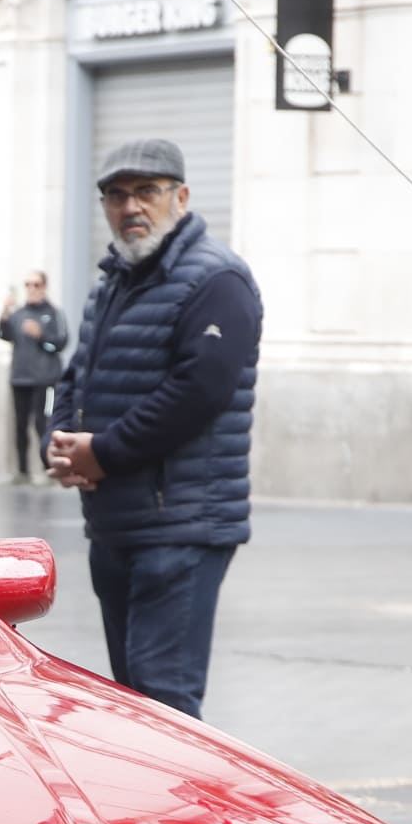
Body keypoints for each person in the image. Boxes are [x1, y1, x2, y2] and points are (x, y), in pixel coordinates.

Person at [47, 139, 262, 721]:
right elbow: (79, 375)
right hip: (117, 522)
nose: (130, 207)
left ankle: (180, 815)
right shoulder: (113, 282)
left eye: (147, 191)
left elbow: (201, 391)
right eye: (116, 195)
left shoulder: (218, 280)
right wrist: (63, 440)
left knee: (163, 697)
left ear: (182, 197)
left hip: (182, 525)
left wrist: (105, 452)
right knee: (135, 698)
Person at [0, 271, 68, 483]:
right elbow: (4, 336)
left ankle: (47, 469)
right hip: (20, 378)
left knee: (43, 424)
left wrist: (41, 336)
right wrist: (4, 316)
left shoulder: (54, 313)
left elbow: (59, 343)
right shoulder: (19, 314)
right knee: (20, 425)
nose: (32, 289)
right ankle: (22, 471)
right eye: (28, 284)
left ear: (44, 286)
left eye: (36, 284)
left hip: (45, 380)